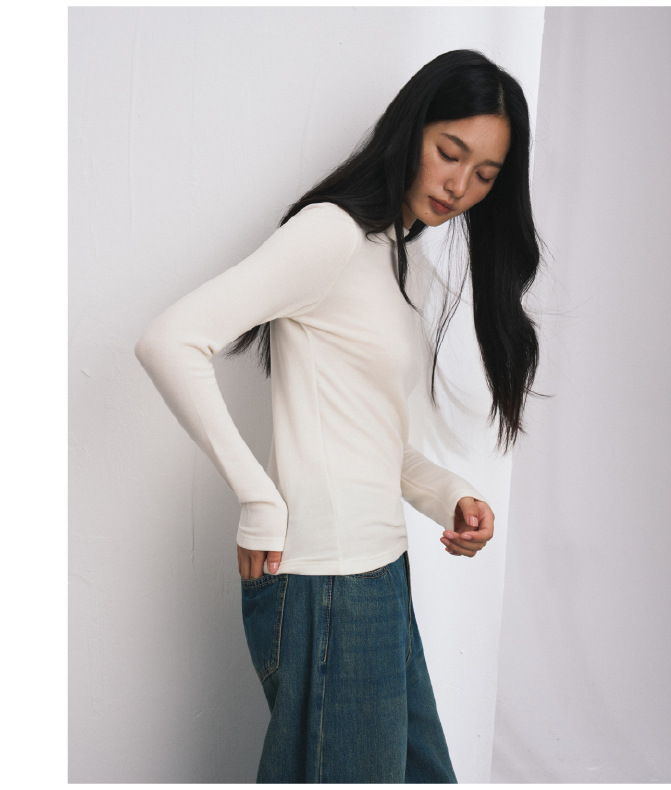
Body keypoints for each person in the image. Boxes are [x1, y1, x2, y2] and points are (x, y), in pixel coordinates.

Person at [135, 49, 541, 784]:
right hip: (329, 583)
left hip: (378, 572)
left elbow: (373, 440)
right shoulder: (332, 234)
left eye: (485, 174)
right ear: (412, 130)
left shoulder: (401, 260)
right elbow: (170, 340)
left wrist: (450, 495)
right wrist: (260, 499)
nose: (460, 186)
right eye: (451, 152)